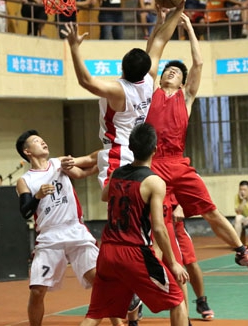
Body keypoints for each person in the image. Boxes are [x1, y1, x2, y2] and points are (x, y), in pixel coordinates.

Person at [144, 13, 248, 276]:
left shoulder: (186, 96)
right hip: (153, 166)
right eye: (168, 70)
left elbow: (198, 62)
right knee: (156, 226)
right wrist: (159, 25)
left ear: (182, 81)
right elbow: (150, 55)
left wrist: (189, 27)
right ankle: (146, 281)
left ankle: (242, 252)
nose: (171, 72)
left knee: (211, 211)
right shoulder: (151, 92)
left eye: (177, 72)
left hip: (178, 163)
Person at [61, 1, 185, 190]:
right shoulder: (150, 79)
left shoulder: (119, 90)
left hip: (118, 155)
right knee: (137, 203)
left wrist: (74, 47)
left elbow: (86, 81)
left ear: (122, 67)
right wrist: (178, 10)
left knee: (116, 203)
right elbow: (160, 41)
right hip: (139, 154)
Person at [79, 123, 189, 326]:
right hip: (134, 252)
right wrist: (173, 262)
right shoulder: (155, 182)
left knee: (94, 314)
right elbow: (158, 228)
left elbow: (105, 196)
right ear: (155, 149)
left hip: (108, 251)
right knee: (177, 300)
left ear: (130, 148)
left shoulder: (116, 174)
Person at [14, 130, 122, 326]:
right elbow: (25, 212)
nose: (43, 142)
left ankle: (119, 324)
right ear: (27, 151)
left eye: (43, 139)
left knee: (101, 281)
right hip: (49, 236)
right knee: (37, 290)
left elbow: (86, 165)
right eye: (37, 141)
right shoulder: (25, 180)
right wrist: (37, 196)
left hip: (74, 230)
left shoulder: (57, 163)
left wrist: (112, 153)